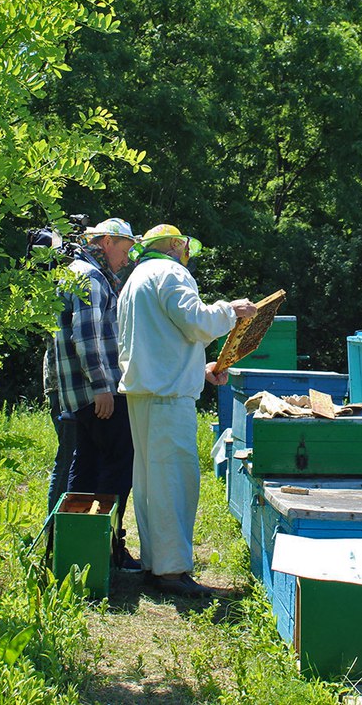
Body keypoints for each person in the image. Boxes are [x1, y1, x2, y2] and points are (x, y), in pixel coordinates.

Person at [117, 224, 256, 597]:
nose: (186, 254)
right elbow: (196, 322)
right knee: (174, 482)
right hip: (166, 397)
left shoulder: (135, 279)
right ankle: (172, 571)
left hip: (144, 393)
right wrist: (232, 310)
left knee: (149, 482)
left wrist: (201, 369)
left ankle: (154, 563)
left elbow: (160, 342)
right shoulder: (171, 272)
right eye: (185, 247)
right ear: (177, 245)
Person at [55, 218, 141, 570]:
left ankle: (72, 548)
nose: (128, 257)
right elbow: (87, 335)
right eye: (125, 248)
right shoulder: (89, 276)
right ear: (106, 242)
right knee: (119, 464)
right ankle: (108, 548)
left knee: (86, 468)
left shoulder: (75, 272)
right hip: (97, 392)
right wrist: (102, 387)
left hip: (79, 394)